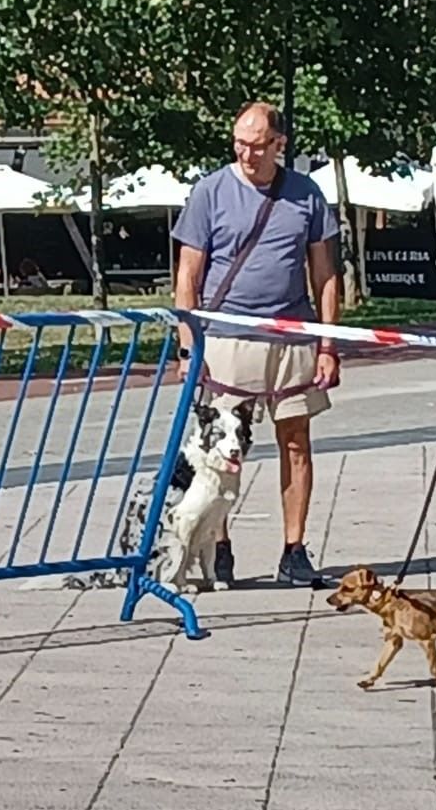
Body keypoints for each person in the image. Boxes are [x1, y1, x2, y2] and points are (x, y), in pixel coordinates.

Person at [172, 102, 340, 589]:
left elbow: (325, 275)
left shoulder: (306, 195)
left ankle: (294, 548)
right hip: (228, 336)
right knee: (220, 447)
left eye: (258, 145)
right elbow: (188, 274)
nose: (247, 153)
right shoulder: (210, 192)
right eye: (239, 143)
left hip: (292, 336)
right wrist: (189, 347)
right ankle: (218, 545)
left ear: (279, 144)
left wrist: (328, 344)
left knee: (296, 442)